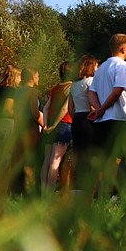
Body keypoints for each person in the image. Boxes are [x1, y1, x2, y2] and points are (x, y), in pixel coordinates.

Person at [88, 34, 126, 191]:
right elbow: (118, 90)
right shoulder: (122, 66)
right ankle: (107, 195)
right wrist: (102, 108)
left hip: (102, 120)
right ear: (123, 49)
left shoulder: (101, 68)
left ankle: (94, 195)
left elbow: (91, 93)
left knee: (101, 160)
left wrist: (98, 109)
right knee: (116, 159)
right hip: (118, 118)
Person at [42, 61, 74, 190]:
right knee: (56, 161)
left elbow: (46, 108)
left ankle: (43, 193)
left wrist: (46, 125)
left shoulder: (55, 88)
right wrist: (54, 126)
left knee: (47, 161)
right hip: (64, 124)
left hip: (49, 125)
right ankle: (49, 194)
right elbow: (64, 109)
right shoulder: (71, 87)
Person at [69, 55, 98, 187]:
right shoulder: (92, 82)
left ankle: (77, 187)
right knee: (91, 154)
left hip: (77, 119)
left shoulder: (73, 85)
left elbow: (70, 108)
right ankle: (90, 186)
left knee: (78, 155)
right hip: (89, 118)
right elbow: (93, 102)